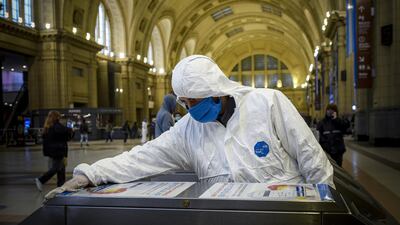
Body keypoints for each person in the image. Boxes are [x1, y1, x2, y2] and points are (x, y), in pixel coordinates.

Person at [45, 55, 334, 199]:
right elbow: (144, 156)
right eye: (185, 103)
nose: (190, 110)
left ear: (217, 91)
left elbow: (311, 156)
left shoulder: (268, 104)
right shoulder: (189, 130)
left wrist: (326, 203)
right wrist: (91, 174)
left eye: (195, 101)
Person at [35, 111, 73, 191]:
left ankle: (61, 186)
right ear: (56, 117)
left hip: (54, 150)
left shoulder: (48, 126)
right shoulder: (56, 126)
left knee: (61, 169)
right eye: (59, 116)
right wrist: (71, 130)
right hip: (58, 150)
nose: (60, 118)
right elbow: (66, 132)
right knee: (56, 168)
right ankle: (41, 180)